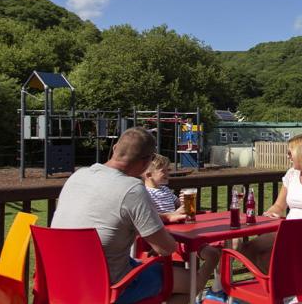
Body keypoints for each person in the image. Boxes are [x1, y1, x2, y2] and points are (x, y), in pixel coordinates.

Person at [51, 127, 203, 304]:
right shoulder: (131, 189)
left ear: (115, 148)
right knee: (194, 283)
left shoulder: (78, 176)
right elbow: (166, 249)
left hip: (62, 282)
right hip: (109, 288)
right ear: (147, 162)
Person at [239, 133, 302, 272]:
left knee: (268, 256)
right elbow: (279, 206)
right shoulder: (292, 174)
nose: (288, 156)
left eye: (290, 153)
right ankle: (279, 286)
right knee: (247, 249)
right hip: (288, 230)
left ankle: (283, 286)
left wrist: (300, 226)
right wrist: (270, 213)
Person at [143, 154, 224, 302]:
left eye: (168, 169)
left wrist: (184, 204)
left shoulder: (165, 191)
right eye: (163, 171)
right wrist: (174, 214)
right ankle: (199, 288)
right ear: (149, 175)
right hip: (166, 242)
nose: (168, 173)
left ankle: (212, 289)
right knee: (183, 288)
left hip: (186, 237)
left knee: (213, 253)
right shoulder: (144, 194)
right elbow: (151, 217)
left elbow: (180, 210)